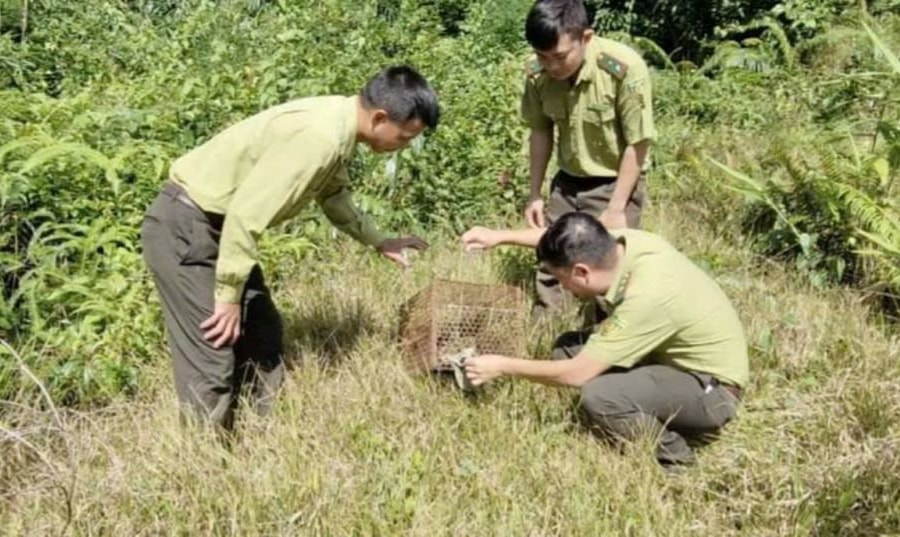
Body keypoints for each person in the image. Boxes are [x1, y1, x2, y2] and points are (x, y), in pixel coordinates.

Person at [141, 66, 439, 430]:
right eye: (405, 136)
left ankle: (260, 434)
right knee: (213, 353)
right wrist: (228, 296)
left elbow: (334, 197)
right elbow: (245, 215)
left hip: (221, 229)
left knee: (263, 333)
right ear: (379, 117)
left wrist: (378, 241)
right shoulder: (320, 138)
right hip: (188, 228)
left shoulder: (340, 126)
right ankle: (204, 461)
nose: (403, 146)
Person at [460, 214, 748, 468]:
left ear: (581, 272)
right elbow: (566, 240)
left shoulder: (646, 297)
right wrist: (498, 237)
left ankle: (675, 458)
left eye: (562, 280)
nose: (563, 288)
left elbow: (576, 375)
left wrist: (502, 366)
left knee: (600, 394)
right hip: (669, 359)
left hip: (713, 390)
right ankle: (634, 408)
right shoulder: (625, 244)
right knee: (567, 347)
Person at [520, 0, 655, 317]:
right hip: (567, 182)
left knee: (607, 271)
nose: (551, 66)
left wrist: (617, 207)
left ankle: (603, 348)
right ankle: (546, 334)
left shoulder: (624, 69)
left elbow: (638, 142)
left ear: (587, 37)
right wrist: (535, 195)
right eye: (542, 56)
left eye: (560, 57)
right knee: (551, 263)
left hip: (614, 181)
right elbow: (541, 132)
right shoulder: (537, 74)